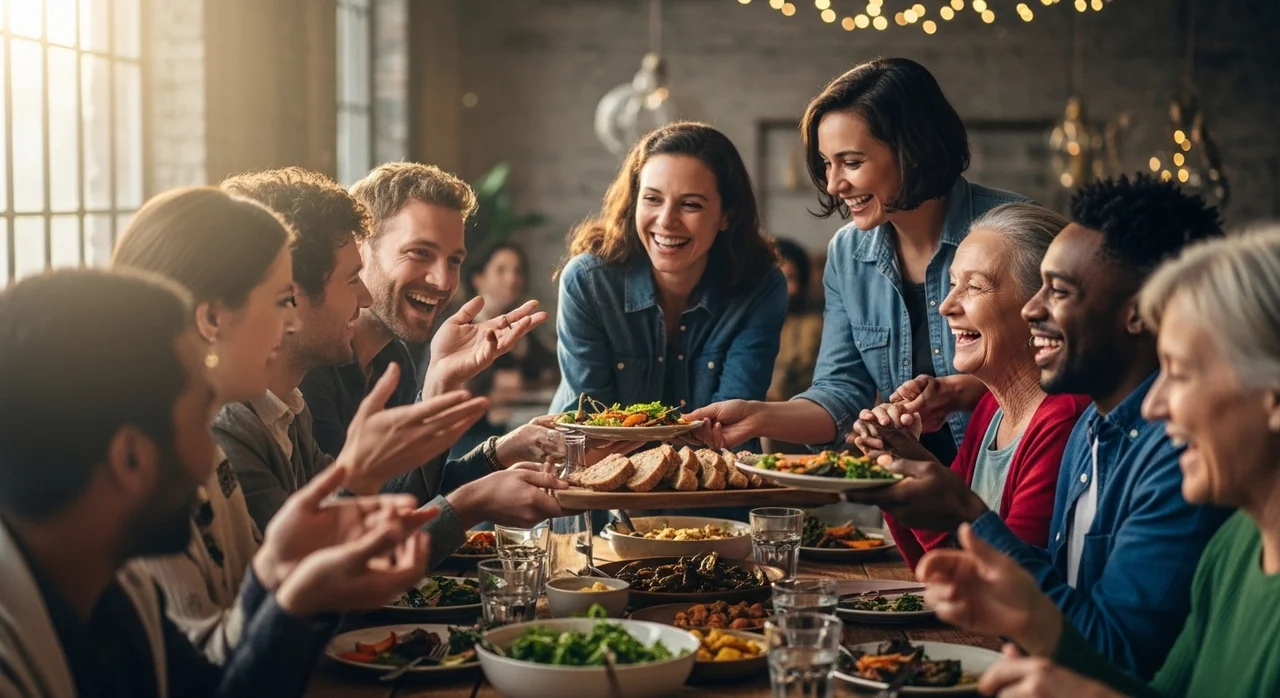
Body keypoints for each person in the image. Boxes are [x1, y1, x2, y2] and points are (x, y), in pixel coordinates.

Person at [0, 269, 435, 698]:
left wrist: (289, 593)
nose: (214, 455)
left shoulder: (114, 585)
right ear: (131, 459)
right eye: (204, 414)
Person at [885, 175, 1230, 679]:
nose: (1032, 309)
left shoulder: (1176, 456)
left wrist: (964, 512)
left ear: (1138, 313)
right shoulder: (1092, 427)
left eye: (1059, 291)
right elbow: (1053, 595)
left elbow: (1117, 657)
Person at [918, 226, 1280, 698]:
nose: (1154, 406)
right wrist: (1030, 616)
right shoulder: (1233, 547)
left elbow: (1121, 656)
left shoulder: (1170, 469)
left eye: (1182, 373)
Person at [691, 57, 1028, 465]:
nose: (834, 184)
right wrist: (756, 415)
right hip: (911, 494)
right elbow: (840, 394)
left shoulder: (1015, 231)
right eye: (826, 164)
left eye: (851, 163)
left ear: (913, 151)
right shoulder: (848, 254)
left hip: (1010, 479)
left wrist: (967, 390)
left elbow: (1064, 366)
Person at [216, 167, 566, 553]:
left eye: (453, 260)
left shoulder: (378, 364)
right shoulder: (300, 378)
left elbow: (391, 505)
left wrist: (450, 399)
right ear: (360, 246)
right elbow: (344, 547)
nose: (443, 281)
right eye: (420, 253)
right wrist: (473, 498)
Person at [848, 203, 1090, 569]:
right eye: (951, 284)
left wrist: (920, 486)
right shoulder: (992, 408)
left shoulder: (1062, 422)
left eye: (974, 286)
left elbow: (1005, 587)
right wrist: (899, 463)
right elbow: (931, 565)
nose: (946, 305)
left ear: (1039, 306)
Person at [549, 121, 787, 416]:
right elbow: (588, 424)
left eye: (690, 204)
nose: (666, 220)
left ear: (727, 216)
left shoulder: (760, 285)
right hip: (596, 460)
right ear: (634, 202)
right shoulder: (589, 282)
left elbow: (732, 422)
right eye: (652, 199)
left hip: (713, 460)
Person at [437, 242, 560, 458]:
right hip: (464, 441)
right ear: (478, 279)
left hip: (508, 431)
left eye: (517, 271)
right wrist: (493, 380)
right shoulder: (457, 329)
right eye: (501, 270)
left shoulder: (522, 329)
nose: (512, 278)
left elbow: (551, 368)